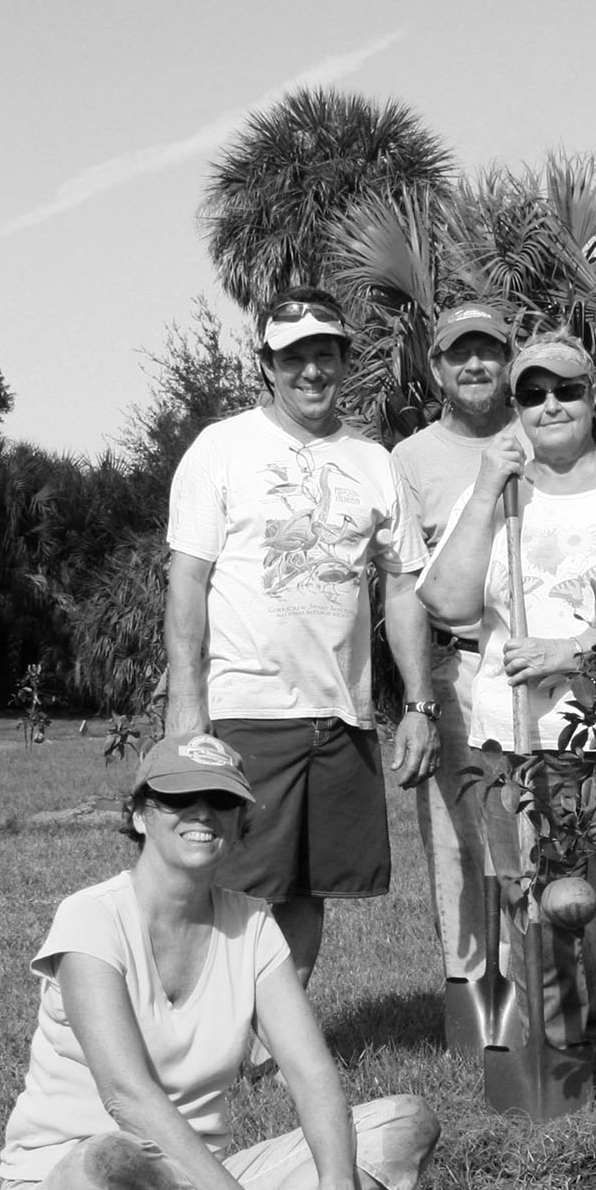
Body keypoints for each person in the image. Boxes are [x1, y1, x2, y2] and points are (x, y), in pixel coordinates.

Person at [0, 734, 440, 1190]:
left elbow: (310, 1072)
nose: (202, 812)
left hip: (204, 1184)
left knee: (405, 1124)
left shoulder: (252, 925)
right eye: (179, 799)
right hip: (71, 1185)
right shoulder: (90, 919)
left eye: (221, 801)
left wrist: (334, 1186)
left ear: (240, 822)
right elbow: (126, 1097)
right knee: (113, 1162)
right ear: (138, 816)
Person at [419, 331, 596, 1079]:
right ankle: (557, 1047)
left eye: (566, 389)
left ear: (592, 396)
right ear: (515, 408)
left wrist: (573, 652)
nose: (551, 404)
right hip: (518, 733)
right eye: (533, 393)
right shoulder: (496, 494)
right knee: (536, 898)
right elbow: (448, 602)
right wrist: (486, 488)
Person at [165, 286, 438, 988]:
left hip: (340, 715)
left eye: (324, 354)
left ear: (344, 361)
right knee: (230, 883)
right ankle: (206, 1033)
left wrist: (417, 703)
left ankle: (271, 1046)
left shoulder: (376, 462)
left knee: (308, 887)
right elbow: (188, 582)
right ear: (267, 365)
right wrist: (187, 703)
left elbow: (402, 587)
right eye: (293, 358)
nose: (310, 371)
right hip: (246, 709)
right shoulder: (220, 449)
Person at [389, 304, 522, 1039]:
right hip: (455, 668)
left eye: (489, 352)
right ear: (436, 369)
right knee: (456, 840)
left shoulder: (542, 434)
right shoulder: (409, 460)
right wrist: (417, 699)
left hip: (534, 667)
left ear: (509, 359)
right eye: (458, 354)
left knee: (533, 831)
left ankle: (537, 987)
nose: (475, 365)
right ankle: (471, 996)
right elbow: (404, 584)